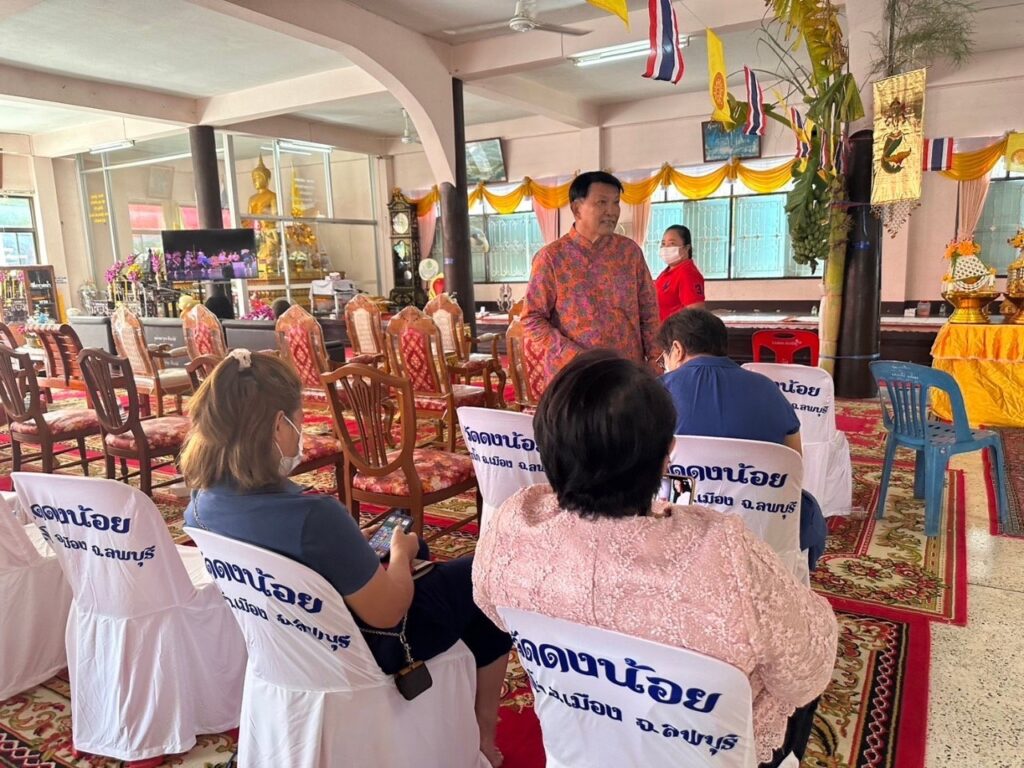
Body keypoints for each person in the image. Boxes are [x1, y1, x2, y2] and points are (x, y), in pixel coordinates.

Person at [473, 350, 837, 767]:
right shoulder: (726, 556)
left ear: (546, 448)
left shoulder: (513, 530)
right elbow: (809, 670)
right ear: (668, 453)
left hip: (576, 750)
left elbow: (493, 609)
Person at [181, 350, 511, 767]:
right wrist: (400, 554)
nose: (302, 431)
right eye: (299, 421)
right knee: (479, 576)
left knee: (424, 559)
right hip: (363, 650)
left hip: (287, 643)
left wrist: (355, 546)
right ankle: (483, 731)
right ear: (278, 426)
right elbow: (388, 612)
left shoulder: (200, 507)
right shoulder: (315, 516)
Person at [658, 308, 827, 569]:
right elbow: (794, 464)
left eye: (664, 356)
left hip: (681, 522)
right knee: (808, 507)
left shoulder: (658, 391)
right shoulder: (768, 389)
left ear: (677, 350)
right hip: (762, 529)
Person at [522, 170, 660, 385]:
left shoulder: (629, 252)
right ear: (577, 209)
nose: (611, 211)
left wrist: (655, 360)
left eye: (616, 203)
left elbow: (649, 311)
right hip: (574, 374)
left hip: (626, 372)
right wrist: (573, 354)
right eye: (602, 202)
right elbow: (531, 319)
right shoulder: (552, 258)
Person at [655, 224, 705, 320]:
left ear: (686, 248)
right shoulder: (668, 272)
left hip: (676, 329)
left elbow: (696, 315)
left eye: (672, 244)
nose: (666, 248)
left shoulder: (688, 274)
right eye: (663, 244)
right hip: (661, 328)